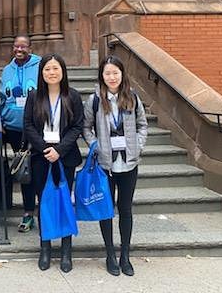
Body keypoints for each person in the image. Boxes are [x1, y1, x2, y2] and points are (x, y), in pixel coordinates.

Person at [83, 55, 148, 277]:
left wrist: (138, 146)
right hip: (105, 165)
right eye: (108, 73)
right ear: (102, 75)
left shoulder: (132, 98)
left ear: (122, 74)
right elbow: (86, 127)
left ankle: (125, 255)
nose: (112, 77)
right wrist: (95, 145)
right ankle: (110, 254)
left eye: (115, 73)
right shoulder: (94, 100)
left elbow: (142, 125)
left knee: (126, 210)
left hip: (128, 163)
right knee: (106, 211)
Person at [23, 53, 83, 272]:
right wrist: (44, 148)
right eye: (47, 69)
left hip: (65, 157)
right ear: (41, 73)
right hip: (41, 157)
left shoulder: (72, 96)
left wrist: (59, 150)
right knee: (44, 202)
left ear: (63, 71)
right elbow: (28, 125)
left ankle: (66, 250)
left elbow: (77, 127)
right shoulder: (34, 97)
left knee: (65, 201)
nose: (51, 72)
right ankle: (45, 248)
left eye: (55, 68)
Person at [0, 35, 40, 232]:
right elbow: (2, 97)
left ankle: (44, 212)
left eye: (23, 46)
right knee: (24, 172)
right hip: (14, 128)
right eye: (16, 46)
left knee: (38, 171)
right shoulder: (7, 70)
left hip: (37, 129)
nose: (19, 49)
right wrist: (2, 120)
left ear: (30, 48)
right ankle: (28, 212)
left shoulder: (41, 66)